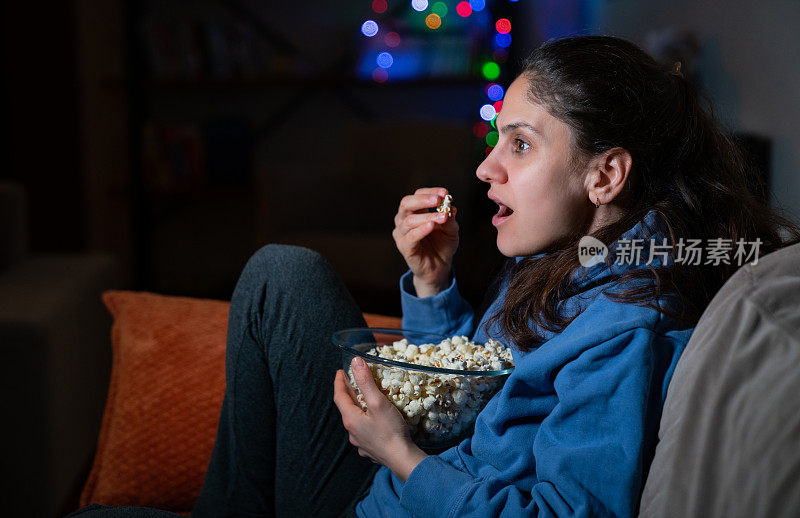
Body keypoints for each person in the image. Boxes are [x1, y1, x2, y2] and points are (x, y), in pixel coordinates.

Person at [68, 36, 799, 518]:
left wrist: (401, 455)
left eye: (520, 143)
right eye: (495, 140)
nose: (487, 168)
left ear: (606, 173)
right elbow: (469, 389)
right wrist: (432, 284)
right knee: (282, 275)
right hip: (398, 480)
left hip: (400, 491)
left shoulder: (625, 331)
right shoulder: (564, 259)